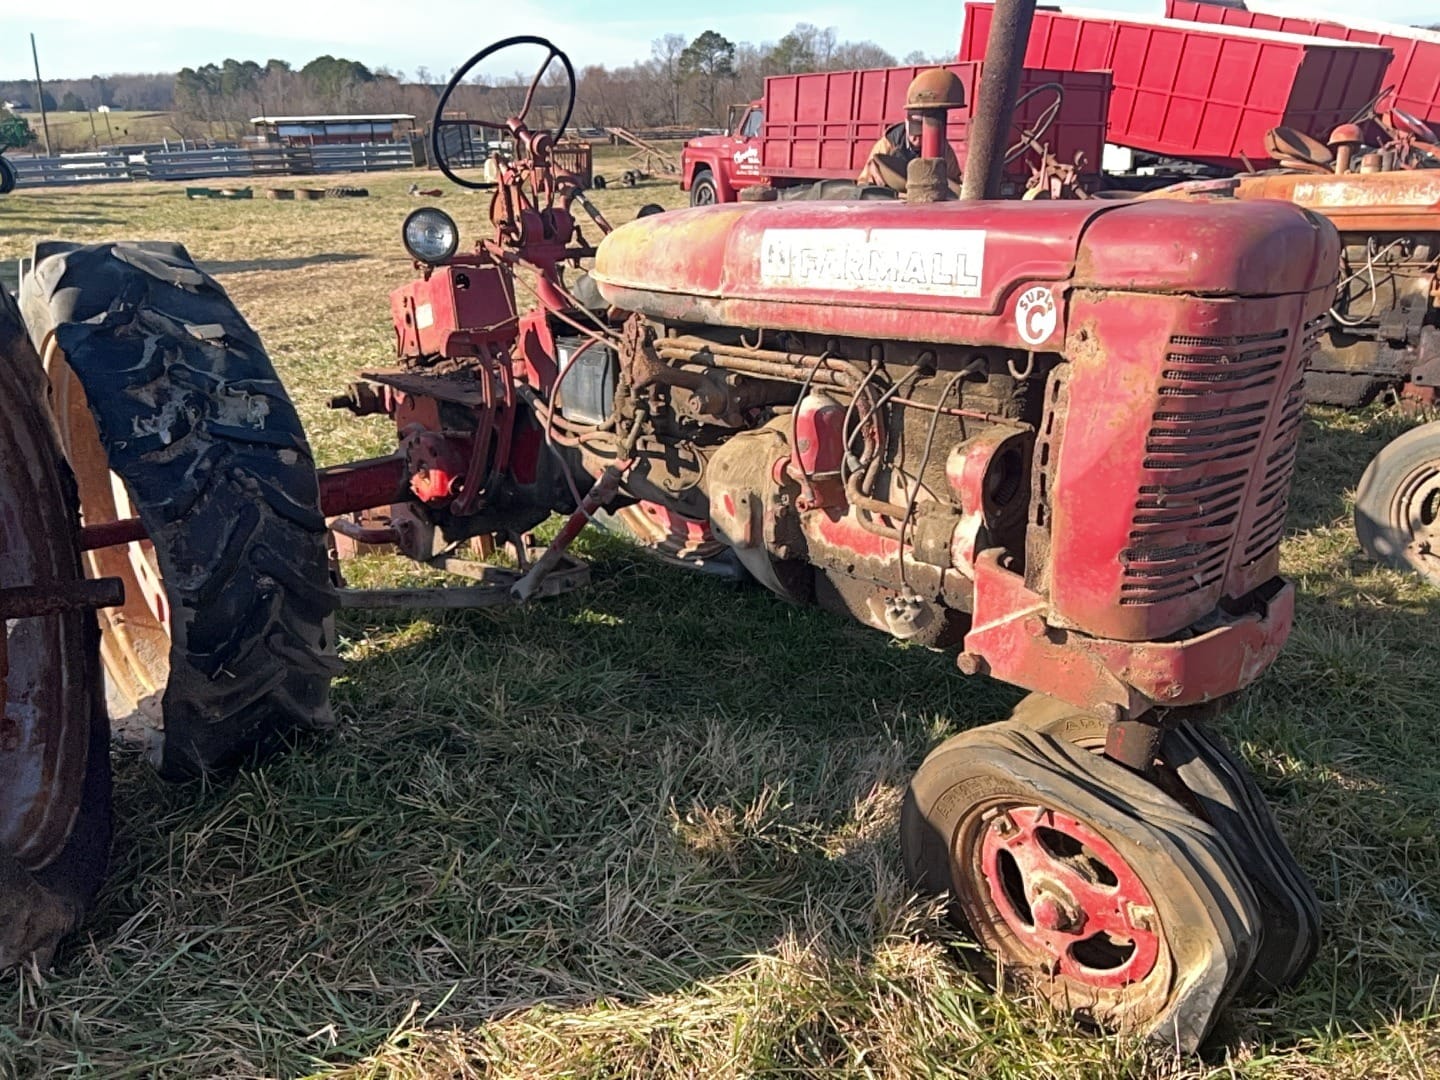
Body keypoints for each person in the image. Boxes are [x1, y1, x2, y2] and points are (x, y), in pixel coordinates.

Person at [857, 111, 962, 193]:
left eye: (922, 134)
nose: (917, 138)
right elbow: (864, 180)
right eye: (914, 131)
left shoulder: (942, 148)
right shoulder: (888, 144)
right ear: (906, 124)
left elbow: (954, 183)